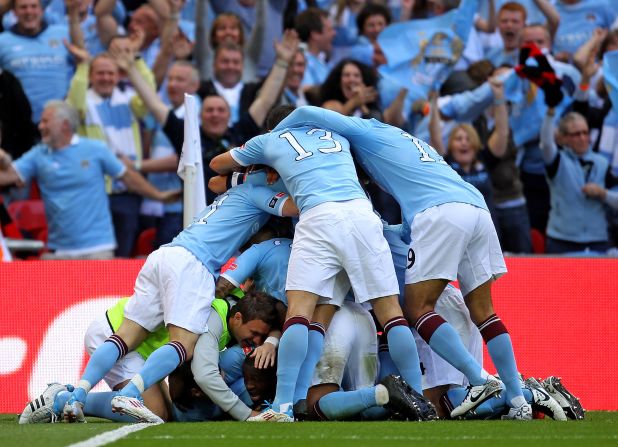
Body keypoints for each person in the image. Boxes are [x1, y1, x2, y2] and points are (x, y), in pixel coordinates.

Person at [273, 106, 532, 420]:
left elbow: (306, 112)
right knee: (485, 313)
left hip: (436, 226)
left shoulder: (359, 136)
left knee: (418, 314)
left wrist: (275, 139)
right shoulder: (404, 144)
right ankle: (521, 398)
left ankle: (483, 381)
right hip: (474, 206)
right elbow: (408, 226)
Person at [211, 106, 427, 423]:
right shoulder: (338, 136)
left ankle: (283, 406)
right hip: (362, 216)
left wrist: (261, 163)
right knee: (390, 313)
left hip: (319, 217)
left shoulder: (272, 141)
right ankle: (420, 400)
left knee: (300, 311)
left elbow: (217, 170)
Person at [59, 181, 298, 423]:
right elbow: (298, 207)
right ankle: (129, 393)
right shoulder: (259, 191)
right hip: (196, 262)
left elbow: (217, 180)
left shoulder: (232, 193)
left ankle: (76, 395)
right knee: (184, 345)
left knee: (126, 337)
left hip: (166, 253)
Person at [119, 30, 299, 204]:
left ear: (229, 115)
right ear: (199, 115)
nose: (215, 115)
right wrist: (130, 67)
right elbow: (154, 104)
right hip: (196, 218)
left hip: (237, 217)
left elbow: (265, 101)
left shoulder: (240, 132)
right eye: (209, 110)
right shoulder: (187, 135)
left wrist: (282, 62)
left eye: (221, 110)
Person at [0, 101, 175, 259]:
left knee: (100, 296)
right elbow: (7, 176)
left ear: (65, 125)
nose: (40, 126)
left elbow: (128, 177)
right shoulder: (38, 154)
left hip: (98, 249)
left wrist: (158, 195)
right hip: (60, 251)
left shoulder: (95, 149)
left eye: (46, 121)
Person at [540, 109, 618, 254]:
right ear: (563, 138)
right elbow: (546, 143)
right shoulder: (557, 161)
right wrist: (550, 112)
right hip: (562, 241)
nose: (583, 138)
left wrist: (604, 194)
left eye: (585, 132)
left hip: (597, 241)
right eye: (576, 134)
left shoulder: (602, 163)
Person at [0, 0, 82, 122]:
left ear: (42, 10)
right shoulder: (3, 41)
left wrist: (74, 15)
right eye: (23, 7)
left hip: (61, 120)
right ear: (14, 12)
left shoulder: (62, 33)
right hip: (19, 122)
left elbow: (83, 60)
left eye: (34, 6)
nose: (29, 11)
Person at [295, 7, 336, 89]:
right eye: (330, 30)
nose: (334, 33)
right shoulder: (303, 63)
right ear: (315, 34)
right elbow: (307, 92)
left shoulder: (323, 60)